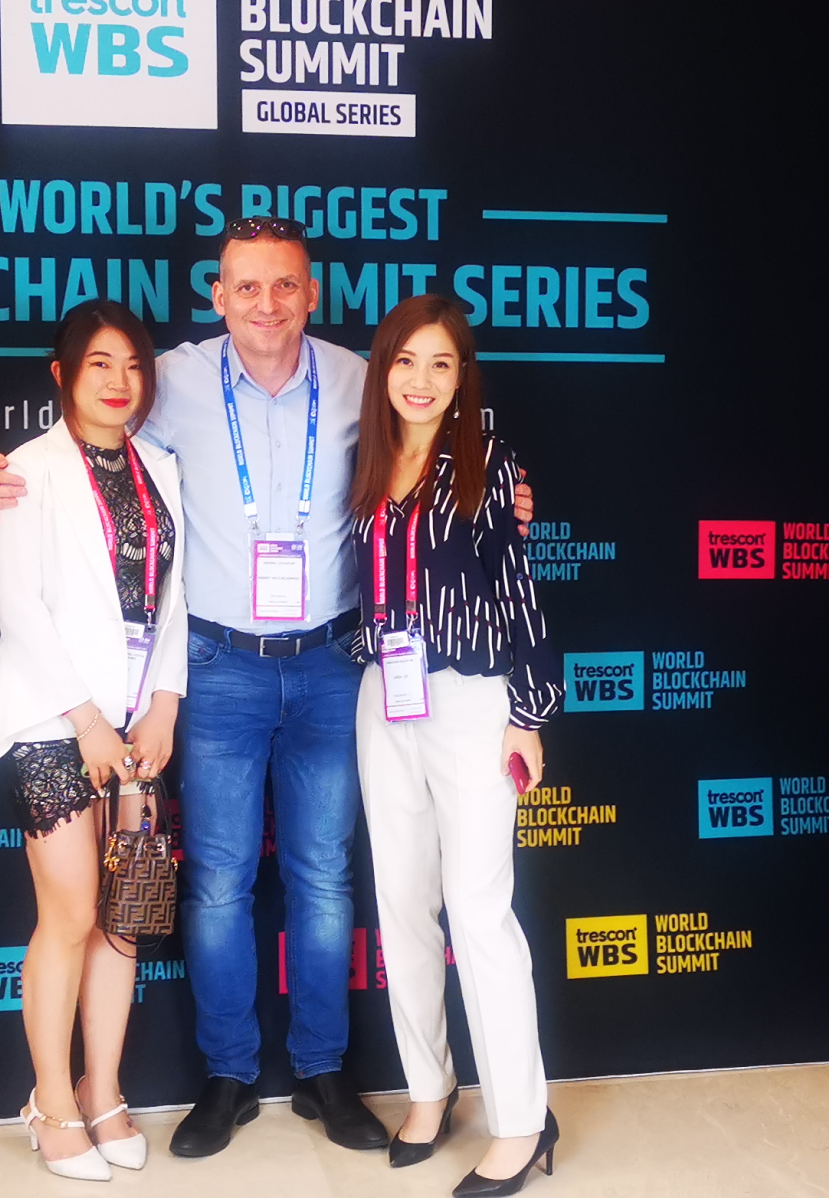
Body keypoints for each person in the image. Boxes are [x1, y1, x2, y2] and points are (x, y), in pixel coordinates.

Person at [0, 218, 538, 1158]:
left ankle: (324, 1070)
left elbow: (446, 442)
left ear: (312, 294)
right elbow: (84, 440)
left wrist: (508, 492)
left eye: (285, 286)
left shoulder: (366, 374)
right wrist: (1, 480)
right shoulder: (174, 384)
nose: (266, 305)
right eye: (246, 287)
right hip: (219, 665)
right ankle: (228, 1075)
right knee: (219, 884)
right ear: (218, 295)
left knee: (324, 879)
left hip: (335, 666)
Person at [349, 294, 561, 1197]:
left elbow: (521, 593)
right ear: (383, 370)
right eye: (406, 362)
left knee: (478, 908)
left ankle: (521, 1121)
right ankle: (431, 1089)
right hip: (381, 696)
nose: (423, 381)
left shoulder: (491, 463)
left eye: (442, 363)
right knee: (402, 901)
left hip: (473, 700)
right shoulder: (367, 462)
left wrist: (531, 711)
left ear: (462, 375)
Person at [0, 299, 187, 1181]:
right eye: (100, 364)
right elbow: (18, 609)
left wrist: (165, 702)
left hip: (138, 722)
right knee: (68, 912)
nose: (120, 382)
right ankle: (50, 1101)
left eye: (135, 366)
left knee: (126, 915)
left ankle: (104, 1093)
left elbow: (172, 600)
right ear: (62, 376)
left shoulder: (162, 470)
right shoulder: (26, 470)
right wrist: (90, 722)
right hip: (56, 722)